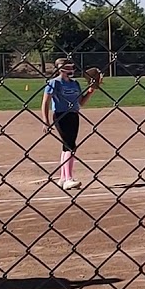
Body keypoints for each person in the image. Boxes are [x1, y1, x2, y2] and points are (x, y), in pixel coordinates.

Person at [40, 57, 100, 190]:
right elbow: (46, 102)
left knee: (67, 146)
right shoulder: (54, 83)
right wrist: (46, 120)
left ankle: (62, 178)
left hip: (73, 115)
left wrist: (91, 90)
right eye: (67, 68)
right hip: (61, 115)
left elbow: (81, 102)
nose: (70, 70)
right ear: (59, 69)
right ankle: (68, 179)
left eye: (71, 67)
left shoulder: (75, 84)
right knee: (70, 145)